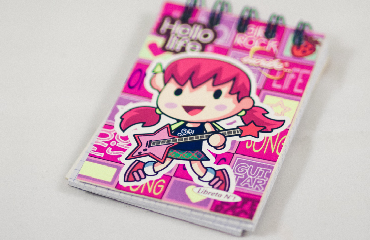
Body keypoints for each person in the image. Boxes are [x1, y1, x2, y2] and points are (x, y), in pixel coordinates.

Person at [119, 56, 284, 192]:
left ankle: (215, 177)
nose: (194, 103)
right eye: (178, 91)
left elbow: (218, 141)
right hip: (170, 146)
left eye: (217, 95)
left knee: (198, 167)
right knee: (163, 162)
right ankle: (142, 169)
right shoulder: (176, 124)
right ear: (160, 87)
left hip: (193, 148)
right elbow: (164, 132)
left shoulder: (208, 126)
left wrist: (217, 141)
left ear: (244, 103)